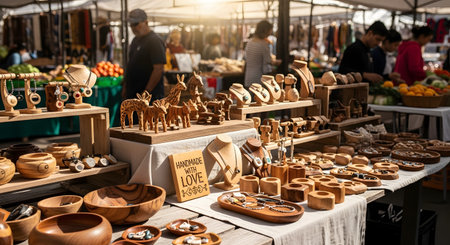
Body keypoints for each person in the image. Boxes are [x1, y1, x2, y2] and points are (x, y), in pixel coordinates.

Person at [122, 9, 166, 101]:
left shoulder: (154, 40)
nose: (133, 27)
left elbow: (158, 69)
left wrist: (147, 91)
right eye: (131, 25)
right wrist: (126, 85)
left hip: (149, 97)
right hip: (134, 93)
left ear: (146, 22)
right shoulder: (135, 40)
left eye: (136, 24)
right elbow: (130, 64)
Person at [244, 20, 280, 87]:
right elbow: (268, 62)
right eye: (269, 32)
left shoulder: (249, 42)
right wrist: (277, 62)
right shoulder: (264, 45)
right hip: (258, 80)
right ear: (265, 31)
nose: (270, 34)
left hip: (248, 78)